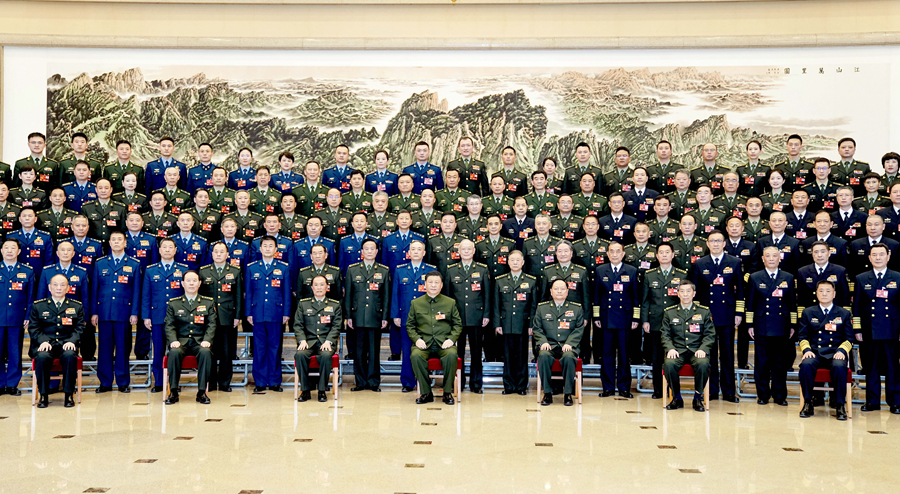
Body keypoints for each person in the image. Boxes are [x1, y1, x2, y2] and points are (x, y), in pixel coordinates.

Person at [691, 230, 744, 403]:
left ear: (724, 244)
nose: (715, 244)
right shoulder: (700, 263)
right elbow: (695, 292)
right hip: (707, 315)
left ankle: (728, 391)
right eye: (712, 241)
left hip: (727, 314)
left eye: (718, 241)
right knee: (709, 354)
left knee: (727, 355)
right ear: (707, 244)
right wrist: (696, 315)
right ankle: (712, 390)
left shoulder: (734, 262)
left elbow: (740, 291)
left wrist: (738, 313)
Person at [747, 246, 797, 406]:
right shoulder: (755, 277)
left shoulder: (788, 277)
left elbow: (792, 303)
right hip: (761, 324)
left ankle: (779, 395)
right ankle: (762, 395)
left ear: (779, 258)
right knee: (761, 363)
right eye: (767, 256)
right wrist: (750, 324)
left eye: (774, 255)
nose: (771, 258)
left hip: (781, 325)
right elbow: (750, 303)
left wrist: (793, 325)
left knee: (780, 363)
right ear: (763, 259)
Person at [853, 243, 900, 413]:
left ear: (888, 256)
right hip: (869, 330)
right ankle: (872, 402)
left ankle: (895, 402)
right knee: (870, 367)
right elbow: (856, 306)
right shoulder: (861, 278)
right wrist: (857, 329)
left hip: (891, 330)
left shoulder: (897, 277)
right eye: (874, 255)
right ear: (869, 258)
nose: (878, 258)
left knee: (893, 368)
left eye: (881, 254)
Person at [91, 232, 141, 393]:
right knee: (104, 349)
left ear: (125, 243)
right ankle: (105, 382)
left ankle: (123, 381)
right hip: (104, 312)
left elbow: (136, 290)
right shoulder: (100, 263)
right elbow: (95, 289)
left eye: (120, 239)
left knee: (123, 348)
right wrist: (94, 312)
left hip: (124, 312)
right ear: (110, 243)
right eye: (114, 240)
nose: (117, 242)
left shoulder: (134, 264)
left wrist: (134, 312)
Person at [797, 280, 853, 420]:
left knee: (839, 366)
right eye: (821, 291)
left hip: (835, 353)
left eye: (828, 291)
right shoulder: (808, 312)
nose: (824, 294)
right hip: (815, 352)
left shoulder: (844, 313)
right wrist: (806, 350)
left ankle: (840, 405)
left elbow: (849, 338)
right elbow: (802, 336)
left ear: (834, 294)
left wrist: (842, 351)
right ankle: (808, 403)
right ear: (816, 294)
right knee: (806, 364)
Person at [140, 238, 189, 392]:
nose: (167, 250)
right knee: (158, 351)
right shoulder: (151, 270)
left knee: (175, 352)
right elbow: (146, 295)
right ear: (160, 250)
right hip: (157, 316)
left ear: (175, 250)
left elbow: (187, 294)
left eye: (170, 247)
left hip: (178, 318)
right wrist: (146, 316)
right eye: (164, 247)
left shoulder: (183, 269)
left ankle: (174, 383)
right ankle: (159, 382)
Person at [29, 273, 84, 408]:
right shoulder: (38, 306)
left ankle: (68, 395)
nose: (59, 288)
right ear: (49, 287)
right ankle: (43, 395)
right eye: (55, 285)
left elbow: (80, 328)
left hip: (66, 344)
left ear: (68, 288)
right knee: (42, 357)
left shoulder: (76, 306)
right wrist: (43, 341)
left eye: (62, 285)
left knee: (70, 355)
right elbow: (34, 328)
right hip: (45, 344)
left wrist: (72, 341)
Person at [245, 236, 291, 392]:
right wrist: (248, 313)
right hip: (257, 313)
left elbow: (286, 292)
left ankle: (274, 381)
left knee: (275, 348)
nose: (268, 248)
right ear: (260, 248)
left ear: (276, 249)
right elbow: (249, 293)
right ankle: (260, 381)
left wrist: (286, 313)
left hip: (276, 313)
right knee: (259, 349)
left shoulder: (283, 267)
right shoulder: (252, 268)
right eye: (265, 246)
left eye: (271, 246)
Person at [641, 242, 687, 399]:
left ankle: (673, 389)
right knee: (657, 358)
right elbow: (645, 300)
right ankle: (658, 390)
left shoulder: (681, 274)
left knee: (674, 357)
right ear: (657, 256)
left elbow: (685, 300)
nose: (664, 255)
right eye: (661, 252)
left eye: (667, 252)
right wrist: (645, 320)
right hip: (655, 322)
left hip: (676, 323)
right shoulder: (650, 275)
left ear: (673, 255)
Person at [593, 241, 640, 398]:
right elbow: (596, 296)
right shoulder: (600, 270)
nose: (614, 254)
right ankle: (607, 387)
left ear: (623, 254)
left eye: (618, 251)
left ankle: (624, 387)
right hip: (606, 318)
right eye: (611, 251)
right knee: (607, 355)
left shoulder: (631, 270)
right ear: (607, 254)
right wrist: (596, 315)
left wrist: (636, 317)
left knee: (624, 355)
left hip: (625, 319)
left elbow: (636, 297)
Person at [660, 280, 715, 412]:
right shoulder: (669, 312)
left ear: (694, 293)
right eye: (682, 291)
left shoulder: (704, 312)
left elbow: (710, 334)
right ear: (678, 294)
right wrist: (670, 348)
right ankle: (677, 398)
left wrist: (703, 349)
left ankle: (697, 398)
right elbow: (665, 334)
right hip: (677, 351)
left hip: (697, 350)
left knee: (703, 364)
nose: (685, 294)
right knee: (669, 365)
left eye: (688, 291)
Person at [407, 271, 462, 405]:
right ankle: (426, 393)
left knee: (451, 355)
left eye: (436, 282)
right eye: (430, 282)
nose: (433, 285)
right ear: (425, 284)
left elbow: (457, 324)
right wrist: (417, 339)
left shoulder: (450, 302)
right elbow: (410, 325)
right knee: (415, 356)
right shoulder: (416, 303)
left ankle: (447, 392)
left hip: (444, 343)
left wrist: (451, 339)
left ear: (441, 285)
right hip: (424, 344)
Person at [444, 239, 492, 393]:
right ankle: (458, 382)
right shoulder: (451, 270)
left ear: (474, 251)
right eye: (463, 249)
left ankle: (476, 384)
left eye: (469, 249)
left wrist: (486, 314)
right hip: (457, 318)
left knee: (476, 352)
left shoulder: (482, 269)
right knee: (457, 353)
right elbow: (447, 296)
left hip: (476, 316)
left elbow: (487, 294)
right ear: (458, 252)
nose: (466, 251)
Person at [162, 271, 215, 405]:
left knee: (206, 353)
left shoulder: (208, 302)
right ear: (182, 283)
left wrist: (207, 340)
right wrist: (173, 340)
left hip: (200, 342)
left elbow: (212, 324)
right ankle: (173, 391)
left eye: (194, 281)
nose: (191, 283)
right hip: (180, 342)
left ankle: (201, 392)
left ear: (199, 283)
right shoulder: (174, 303)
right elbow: (169, 325)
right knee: (174, 353)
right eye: (188, 281)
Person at [391, 240, 436, 392]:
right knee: (407, 350)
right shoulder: (400, 270)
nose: (416, 252)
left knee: (424, 349)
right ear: (408, 253)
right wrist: (396, 315)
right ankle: (408, 382)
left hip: (426, 318)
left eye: (419, 249)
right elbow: (396, 294)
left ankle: (424, 380)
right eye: (413, 249)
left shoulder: (431, 270)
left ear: (424, 253)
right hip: (406, 316)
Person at [345, 239, 390, 392]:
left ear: (377, 251)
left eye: (372, 249)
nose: (369, 251)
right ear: (362, 252)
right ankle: (360, 382)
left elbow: (386, 296)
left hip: (375, 316)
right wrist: (348, 316)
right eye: (366, 249)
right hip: (357, 316)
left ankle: (373, 382)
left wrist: (385, 317)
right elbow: (348, 295)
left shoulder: (384, 270)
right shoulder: (352, 270)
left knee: (374, 351)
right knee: (359, 352)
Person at [492, 250, 537, 395]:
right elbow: (496, 304)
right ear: (508, 262)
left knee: (522, 356)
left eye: (518, 260)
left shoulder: (531, 280)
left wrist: (532, 325)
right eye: (512, 260)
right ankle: (509, 386)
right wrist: (497, 324)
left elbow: (534, 305)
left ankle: (521, 386)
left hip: (523, 324)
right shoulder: (500, 280)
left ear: (523, 262)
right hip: (506, 324)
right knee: (507, 356)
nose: (515, 262)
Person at [533, 278, 585, 406]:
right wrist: (543, 342)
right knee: (543, 356)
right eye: (556, 289)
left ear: (567, 291)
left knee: (569, 357)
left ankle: (567, 394)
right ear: (551, 291)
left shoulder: (576, 308)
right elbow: (537, 328)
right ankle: (547, 393)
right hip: (549, 345)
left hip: (568, 346)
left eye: (562, 289)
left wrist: (570, 343)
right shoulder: (542, 308)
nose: (559, 291)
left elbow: (579, 329)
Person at [199, 243, 242, 392]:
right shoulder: (204, 271)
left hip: (227, 316)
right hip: (208, 318)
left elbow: (238, 295)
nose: (218, 254)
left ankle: (224, 383)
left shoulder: (235, 271)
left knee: (226, 352)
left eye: (221, 252)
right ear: (211, 254)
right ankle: (210, 382)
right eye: (216, 251)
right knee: (209, 350)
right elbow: (201, 297)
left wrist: (237, 316)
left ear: (227, 254)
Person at [294, 275, 342, 403]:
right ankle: (305, 390)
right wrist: (302, 340)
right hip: (308, 342)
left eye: (322, 285)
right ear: (311, 287)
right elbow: (298, 325)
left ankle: (322, 390)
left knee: (326, 356)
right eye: (316, 285)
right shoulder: (303, 304)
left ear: (327, 287)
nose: (319, 287)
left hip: (326, 342)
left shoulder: (335, 305)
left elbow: (336, 326)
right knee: (300, 355)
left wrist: (329, 341)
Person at [0, 239, 35, 396]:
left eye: (13, 248)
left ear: (19, 251)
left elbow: (30, 296)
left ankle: (12, 384)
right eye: (6, 248)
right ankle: (0, 383)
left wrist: (28, 315)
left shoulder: (27, 271)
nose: (9, 251)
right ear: (1, 251)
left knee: (15, 352)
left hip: (17, 317)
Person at [7, 208, 53, 282]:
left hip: (38, 277)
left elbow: (49, 260)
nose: (27, 218)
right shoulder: (12, 236)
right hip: (16, 277)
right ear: (20, 219)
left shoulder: (45, 237)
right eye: (24, 216)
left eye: (30, 216)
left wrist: (45, 277)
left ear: (35, 219)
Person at [426, 212, 463, 278]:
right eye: (445, 222)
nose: (448, 225)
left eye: (451, 222)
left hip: (457, 278)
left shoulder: (462, 240)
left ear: (455, 225)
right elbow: (429, 262)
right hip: (438, 278)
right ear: (441, 224)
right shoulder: (432, 241)